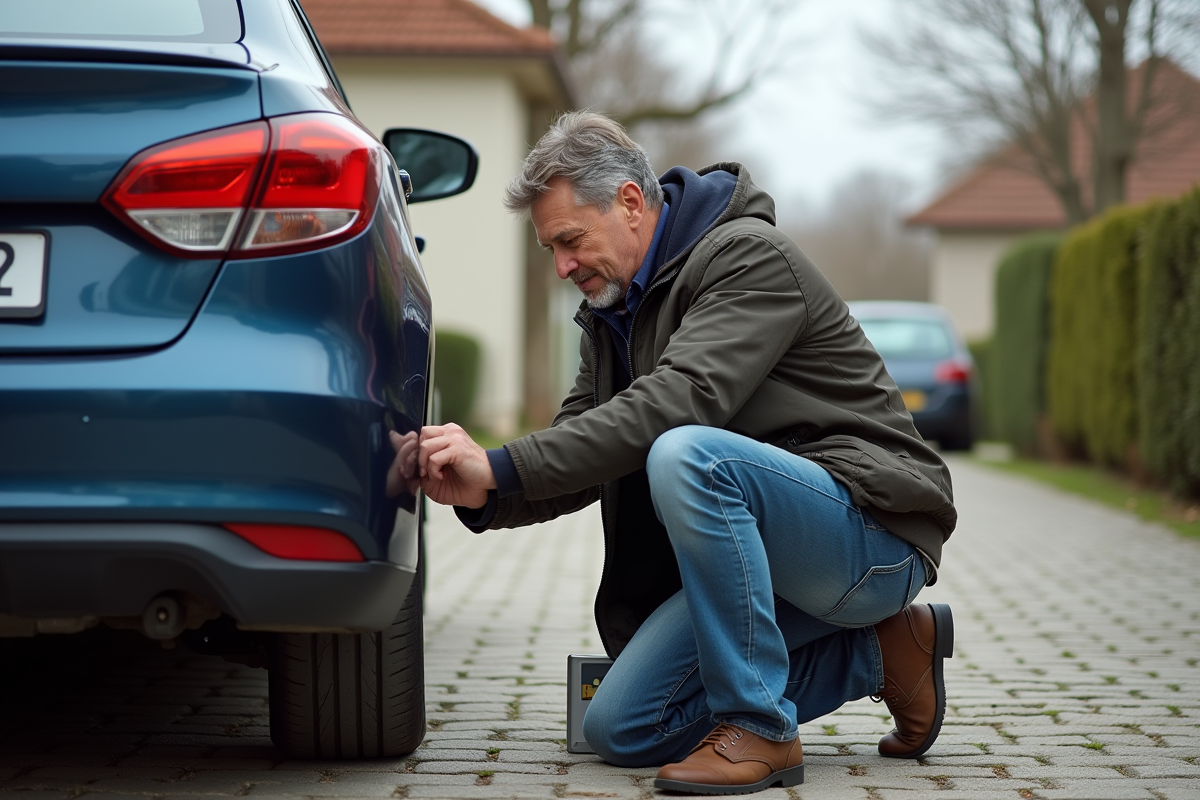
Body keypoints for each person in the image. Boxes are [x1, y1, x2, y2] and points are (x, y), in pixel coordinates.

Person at [412, 111, 957, 795]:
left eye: (571, 240)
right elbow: (590, 436)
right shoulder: (615, 314)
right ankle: (881, 653)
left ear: (631, 204)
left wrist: (501, 464)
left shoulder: (750, 258)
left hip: (872, 533)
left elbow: (680, 401)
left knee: (686, 454)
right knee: (621, 726)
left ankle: (760, 726)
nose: (562, 266)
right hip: (769, 553)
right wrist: (488, 487)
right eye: (552, 248)